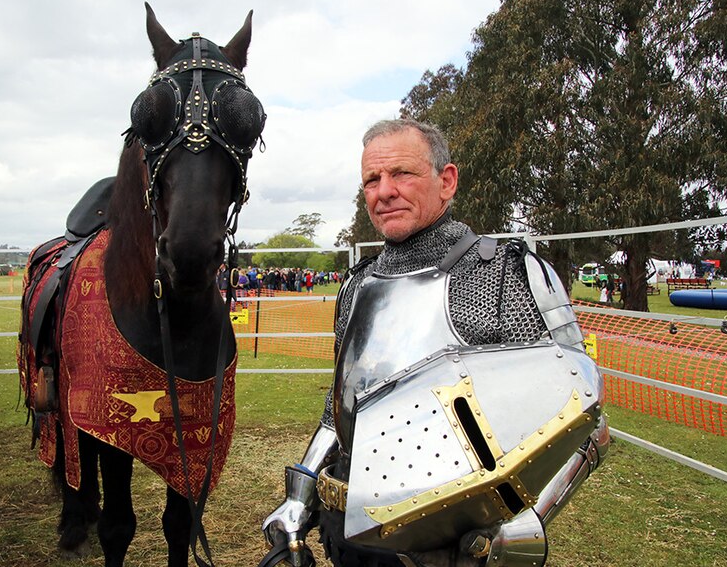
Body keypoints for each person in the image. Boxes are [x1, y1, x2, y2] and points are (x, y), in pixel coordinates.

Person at [261, 118, 609, 567]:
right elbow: (341, 407)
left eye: (401, 173)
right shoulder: (357, 285)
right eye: (371, 179)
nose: (383, 191)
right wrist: (301, 497)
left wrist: (517, 531)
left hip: (455, 540)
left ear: (446, 181)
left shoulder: (507, 274)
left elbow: (588, 418)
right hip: (348, 531)